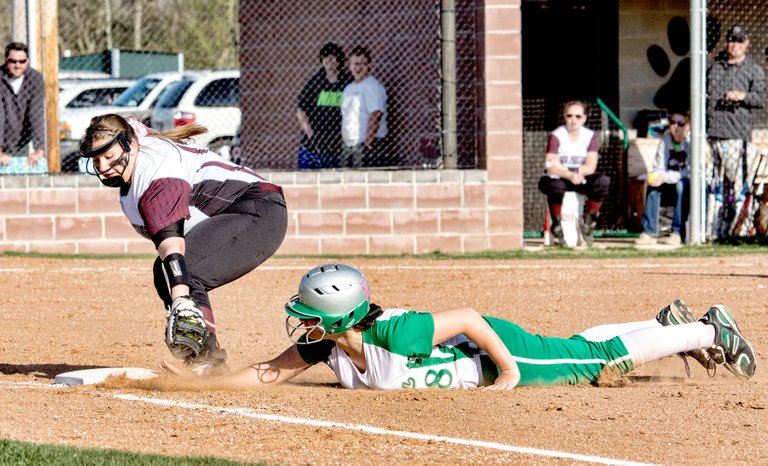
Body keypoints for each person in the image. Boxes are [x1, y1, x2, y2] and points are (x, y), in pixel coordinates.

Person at [161, 263, 756, 390]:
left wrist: (510, 370)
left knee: (585, 361)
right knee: (583, 346)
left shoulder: (398, 333)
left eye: (311, 311)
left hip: (492, 351)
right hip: (477, 354)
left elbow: (470, 317)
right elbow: (264, 375)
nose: (301, 321)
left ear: (341, 316)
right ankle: (665, 323)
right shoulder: (324, 349)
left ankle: (710, 332)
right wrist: (195, 384)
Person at [79, 114, 287, 375]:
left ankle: (208, 365)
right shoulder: (137, 155)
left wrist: (180, 300)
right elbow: (133, 125)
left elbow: (171, 245)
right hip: (242, 210)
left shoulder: (154, 172)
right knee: (163, 272)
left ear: (130, 144)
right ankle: (201, 358)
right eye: (96, 160)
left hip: (258, 211)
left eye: (109, 156)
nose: (103, 166)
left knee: (186, 271)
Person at [706, 24, 766, 241]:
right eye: (731, 40)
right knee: (714, 186)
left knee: (738, 185)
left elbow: (760, 99)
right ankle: (712, 232)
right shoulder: (716, 67)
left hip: (736, 135)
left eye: (739, 41)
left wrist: (742, 96)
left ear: (747, 43)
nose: (734, 45)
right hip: (713, 134)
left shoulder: (753, 70)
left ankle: (741, 230)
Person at [538, 101, 610, 246]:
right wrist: (569, 174)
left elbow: (590, 166)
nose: (573, 120)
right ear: (564, 117)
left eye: (578, 116)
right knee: (555, 186)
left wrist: (572, 171)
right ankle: (557, 226)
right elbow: (550, 166)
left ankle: (589, 225)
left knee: (602, 182)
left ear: (584, 118)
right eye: (569, 116)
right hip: (559, 178)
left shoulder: (589, 136)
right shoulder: (557, 135)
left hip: (578, 177)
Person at [0, 42, 45, 174]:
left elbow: (36, 113)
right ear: (6, 61)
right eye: (13, 61)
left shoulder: (35, 79)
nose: (17, 65)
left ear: (27, 61)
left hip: (21, 142)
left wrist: (39, 149)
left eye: (22, 61)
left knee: (19, 183)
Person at [635, 112, 691, 246]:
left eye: (680, 123)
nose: (675, 127)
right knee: (653, 185)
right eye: (672, 123)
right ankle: (649, 232)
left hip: (686, 183)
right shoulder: (665, 141)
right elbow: (659, 165)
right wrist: (657, 176)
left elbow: (689, 171)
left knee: (681, 186)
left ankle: (677, 232)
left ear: (687, 126)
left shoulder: (691, 142)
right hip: (670, 180)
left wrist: (665, 177)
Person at [296, 42, 351, 170]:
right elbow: (300, 110)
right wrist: (310, 134)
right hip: (312, 146)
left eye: (332, 57)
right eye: (325, 57)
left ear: (339, 60)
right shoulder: (316, 81)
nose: (328, 60)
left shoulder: (347, 82)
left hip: (335, 146)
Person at [340, 46, 388, 168]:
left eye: (362, 64)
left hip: (366, 145)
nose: (358, 68)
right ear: (350, 66)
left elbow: (375, 114)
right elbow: (345, 117)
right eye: (355, 64)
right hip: (349, 145)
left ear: (369, 66)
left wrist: (368, 141)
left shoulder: (372, 86)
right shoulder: (348, 88)